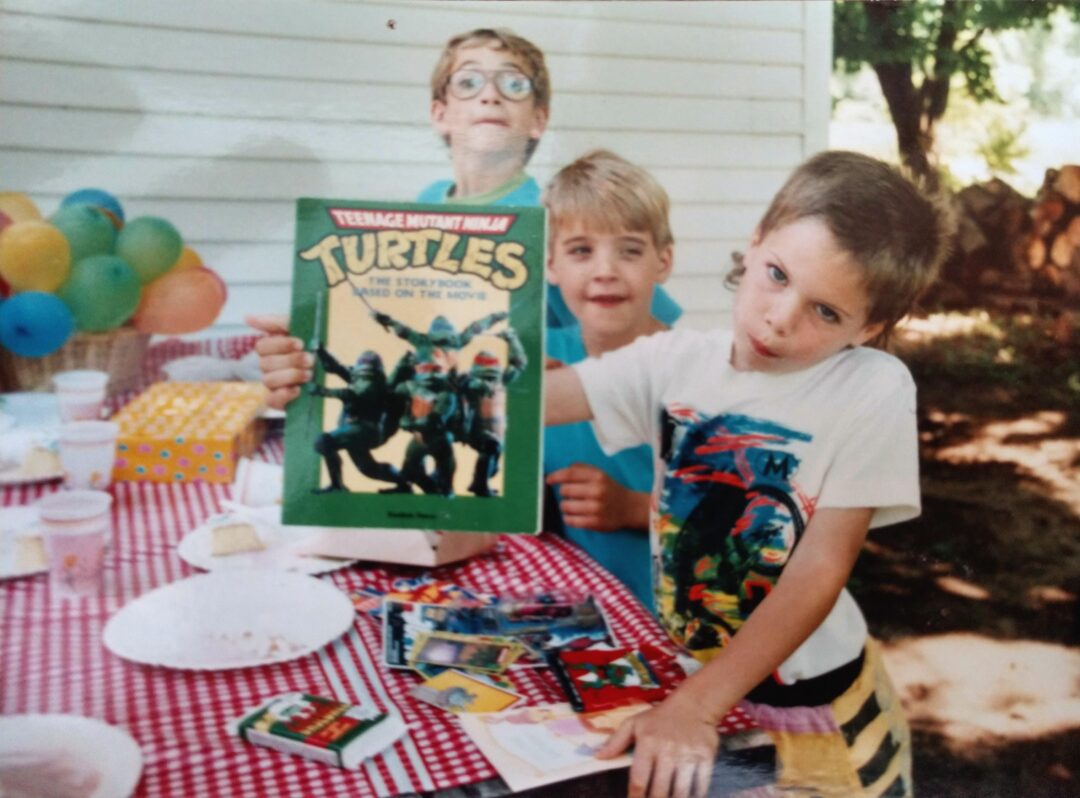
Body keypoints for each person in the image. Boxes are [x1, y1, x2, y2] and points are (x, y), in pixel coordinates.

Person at [544, 150, 953, 797]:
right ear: (754, 241)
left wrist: (697, 706)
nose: (781, 317)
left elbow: (820, 568)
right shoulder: (675, 360)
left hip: (812, 704)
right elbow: (513, 404)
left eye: (826, 312)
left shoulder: (871, 387)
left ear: (869, 327)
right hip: (696, 686)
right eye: (777, 275)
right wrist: (341, 371)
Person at [416, 27, 680, 330]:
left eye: (514, 85)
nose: (490, 95)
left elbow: (649, 326)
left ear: (538, 120)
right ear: (440, 114)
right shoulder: (427, 201)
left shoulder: (558, 216)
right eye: (469, 82)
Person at [540, 149, 677, 610]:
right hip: (576, 616)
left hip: (669, 623)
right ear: (550, 265)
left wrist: (630, 508)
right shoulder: (542, 360)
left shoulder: (690, 367)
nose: (605, 270)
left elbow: (734, 517)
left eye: (630, 250)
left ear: (663, 261)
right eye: (581, 250)